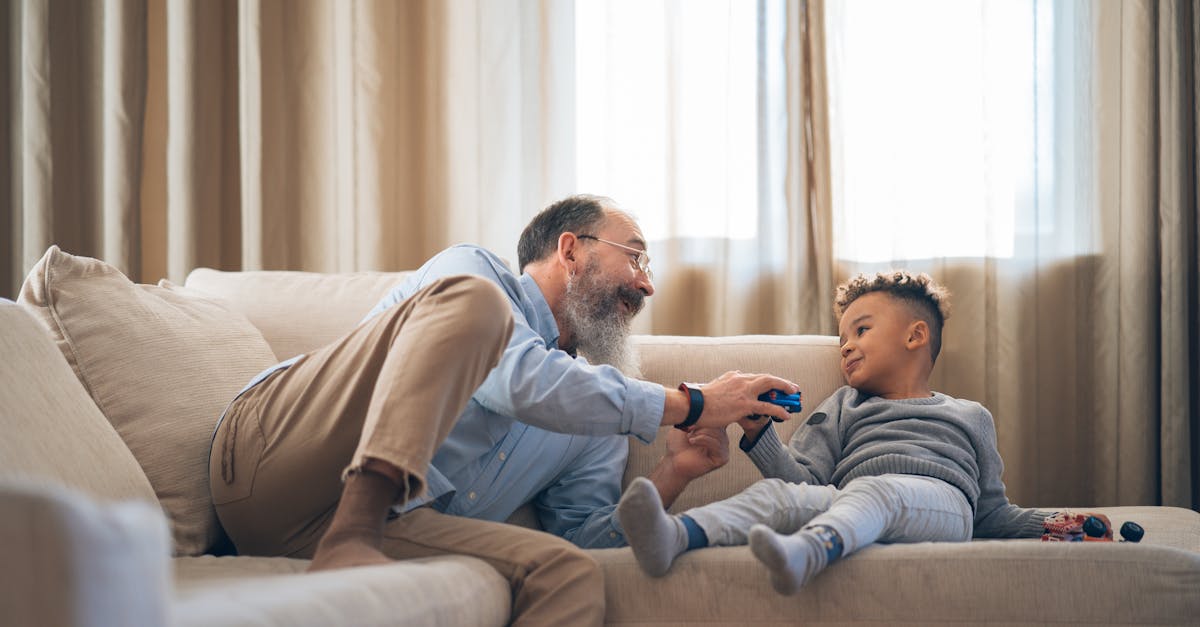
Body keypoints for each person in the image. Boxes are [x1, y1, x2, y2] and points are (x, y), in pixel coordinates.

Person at [208, 194, 799, 625]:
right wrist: (691, 403)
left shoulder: (600, 410)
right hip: (274, 457)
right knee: (477, 308)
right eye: (636, 258)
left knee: (568, 574)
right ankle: (353, 531)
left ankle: (358, 530)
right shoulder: (474, 273)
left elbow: (590, 539)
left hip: (376, 522)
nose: (647, 287)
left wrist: (675, 474)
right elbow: (518, 380)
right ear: (570, 250)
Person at [617, 270, 1055, 595]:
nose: (845, 345)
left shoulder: (969, 414)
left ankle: (809, 551)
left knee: (878, 493)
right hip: (852, 498)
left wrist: (1055, 525)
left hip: (940, 507)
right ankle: (673, 536)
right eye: (842, 336)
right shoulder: (843, 406)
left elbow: (993, 513)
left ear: (915, 336)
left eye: (861, 329)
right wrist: (758, 433)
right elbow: (804, 483)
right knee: (779, 499)